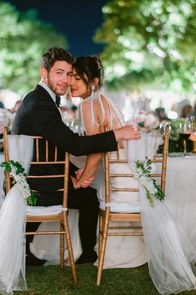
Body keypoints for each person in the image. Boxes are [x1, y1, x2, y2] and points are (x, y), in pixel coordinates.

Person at [68, 56, 196, 294]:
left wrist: (84, 176)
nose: (71, 82)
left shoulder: (89, 104)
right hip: (131, 183)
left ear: (93, 82)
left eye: (77, 78)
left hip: (119, 188)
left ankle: (85, 249)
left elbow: (97, 148)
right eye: (70, 77)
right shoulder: (106, 101)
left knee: (81, 183)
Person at [12, 47, 140, 266]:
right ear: (45, 73)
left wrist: (73, 173)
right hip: (37, 183)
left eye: (70, 74)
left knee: (86, 192)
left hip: (36, 177)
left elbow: (55, 148)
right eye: (60, 73)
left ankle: (26, 248)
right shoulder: (42, 104)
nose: (66, 80)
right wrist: (116, 134)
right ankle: (85, 252)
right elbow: (73, 145)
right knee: (89, 198)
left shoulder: (39, 99)